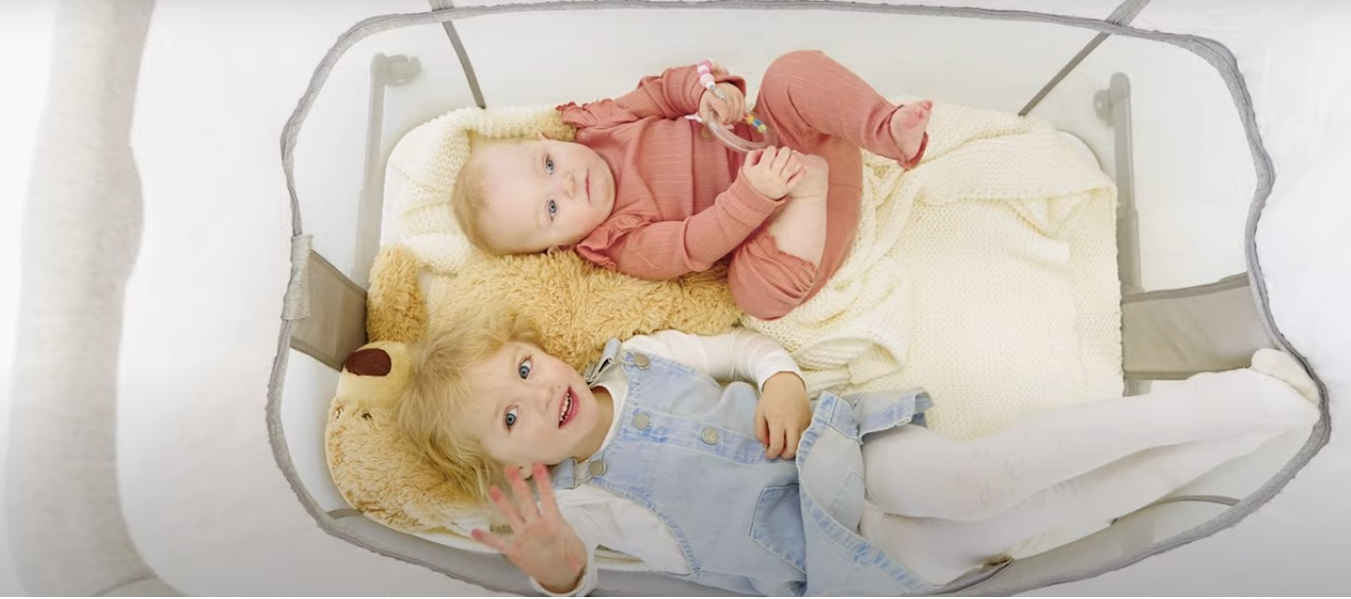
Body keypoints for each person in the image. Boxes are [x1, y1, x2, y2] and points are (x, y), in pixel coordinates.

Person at [395, 306, 1320, 596]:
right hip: (830, 559)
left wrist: (781, 381)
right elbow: (581, 576)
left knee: (979, 478)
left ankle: (1218, 402)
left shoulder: (641, 357)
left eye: (524, 367)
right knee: (1034, 522)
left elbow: (742, 349)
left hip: (834, 460)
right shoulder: (567, 501)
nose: (535, 393)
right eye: (508, 417)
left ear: (539, 346)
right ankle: (1250, 429)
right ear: (507, 467)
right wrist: (556, 566)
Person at [450, 50, 932, 320]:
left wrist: (709, 94)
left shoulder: (603, 123)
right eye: (552, 209)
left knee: (789, 72)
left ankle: (886, 130)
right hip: (803, 225)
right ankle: (812, 187)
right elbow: (694, 243)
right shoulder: (621, 242)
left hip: (790, 138)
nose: (570, 185)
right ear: (556, 248)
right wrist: (757, 195)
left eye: (549, 165)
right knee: (755, 295)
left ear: (547, 140)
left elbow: (663, 90)